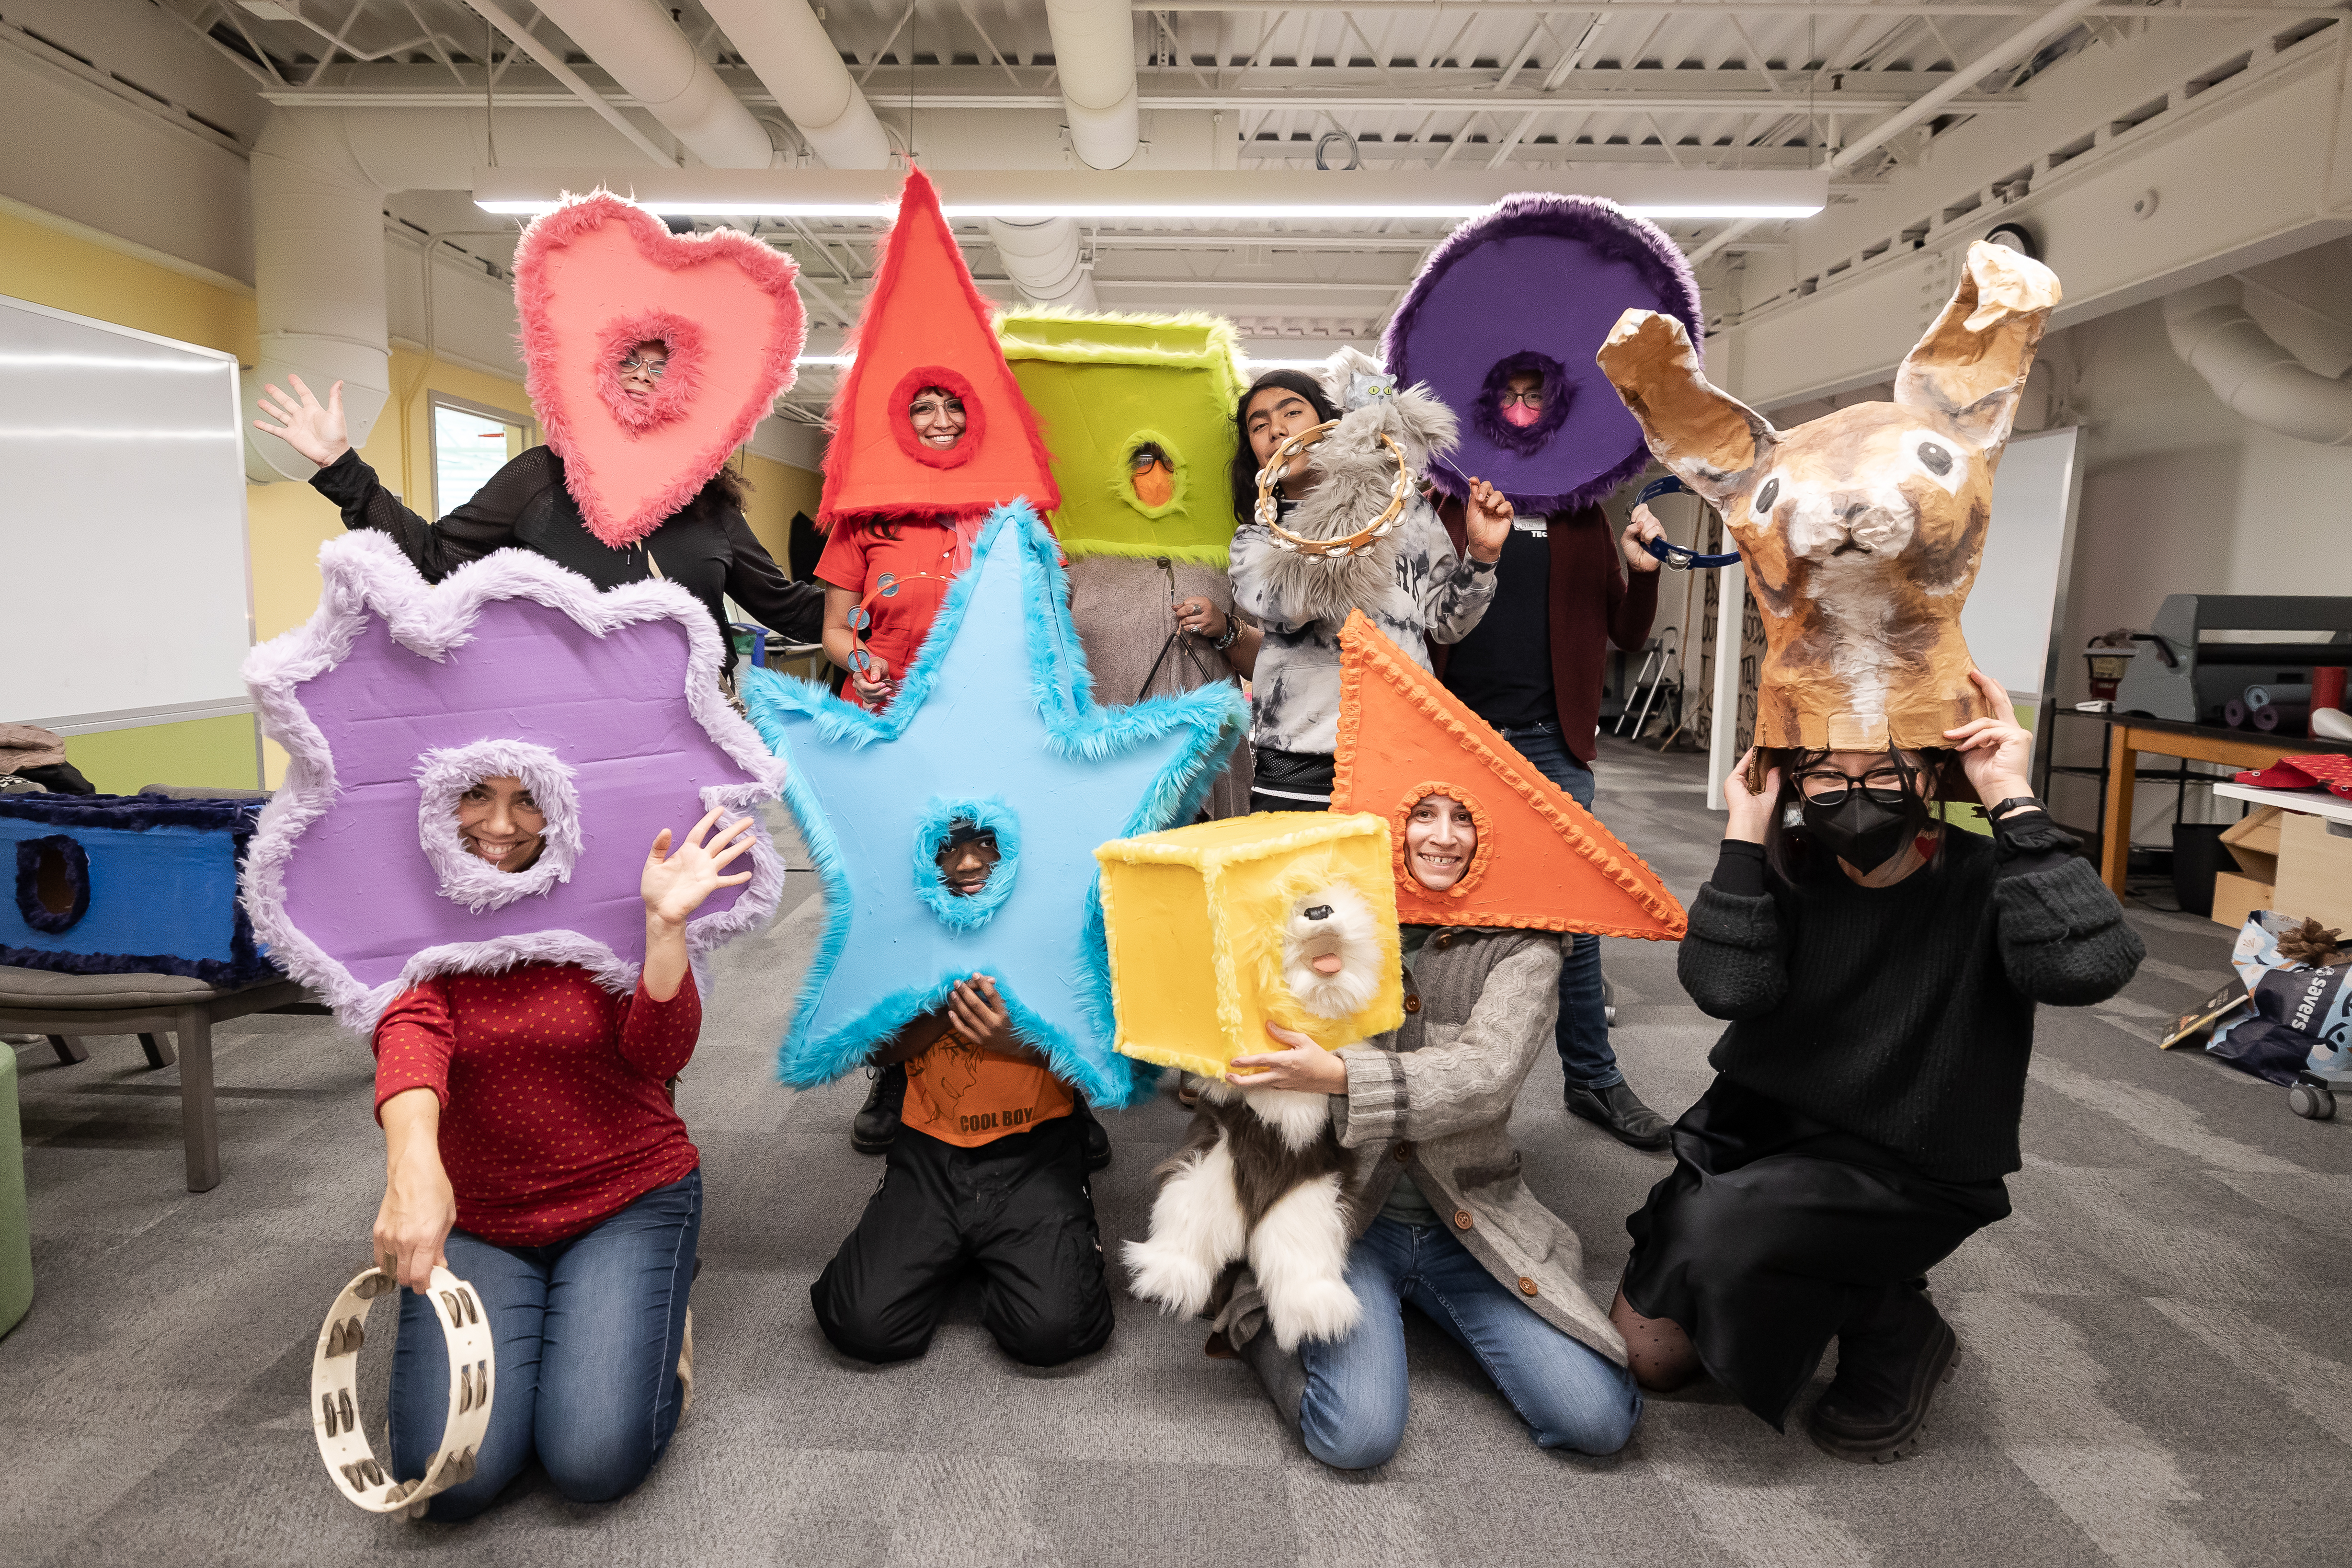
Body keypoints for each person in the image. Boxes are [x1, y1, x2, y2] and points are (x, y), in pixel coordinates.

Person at [1611, 672, 2145, 1463]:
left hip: (1908, 1159)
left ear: (1931, 775)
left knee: (1727, 1237)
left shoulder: (1990, 876)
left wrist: (2009, 795)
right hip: (1758, 1132)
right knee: (1650, 1358)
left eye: (1885, 771)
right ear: (1794, 777)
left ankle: (1893, 1321)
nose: (1854, 794)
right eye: (1826, 772)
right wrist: (1745, 832)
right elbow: (1726, 989)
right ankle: (1834, 1266)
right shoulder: (1789, 866)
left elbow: (2091, 966)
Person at [1213, 789, 1644, 1469]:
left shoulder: (1523, 940)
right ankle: (1259, 1314)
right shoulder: (1328, 913)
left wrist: (1341, 1078)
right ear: (1388, 820)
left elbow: (1487, 1074)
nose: (1442, 837)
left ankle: (1408, 1305)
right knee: (1354, 1436)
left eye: (1464, 817)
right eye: (1422, 814)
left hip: (1470, 1218)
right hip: (1347, 1213)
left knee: (1596, 1419)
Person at [367, 788, 755, 1519]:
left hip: (625, 1194)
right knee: (451, 1483)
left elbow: (658, 1055)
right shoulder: (414, 905)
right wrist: (412, 1166)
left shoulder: (606, 884)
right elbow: (410, 1028)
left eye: (529, 800)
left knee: (591, 1461)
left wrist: (663, 929)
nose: (501, 824)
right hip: (482, 1211)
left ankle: (655, 1319)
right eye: (476, 795)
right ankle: (584, 1324)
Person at [251, 351, 822, 681]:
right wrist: (340, 466)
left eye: (661, 366)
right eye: (630, 359)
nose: (644, 375)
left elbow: (788, 608)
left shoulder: (707, 502)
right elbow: (433, 557)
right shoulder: (541, 477)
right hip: (568, 725)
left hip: (693, 731)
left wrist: (895, 598)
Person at [1429, 388, 1674, 1148]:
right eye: (1508, 397)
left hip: (1547, 743)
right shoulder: (1441, 504)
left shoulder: (1578, 515)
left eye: (1537, 397)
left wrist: (1644, 570)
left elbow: (1626, 631)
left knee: (1573, 916)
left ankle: (1593, 1080)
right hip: (1449, 738)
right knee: (1429, 911)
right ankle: (1427, 1080)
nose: (1522, 410)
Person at [812, 819, 1116, 1369]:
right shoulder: (908, 923)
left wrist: (1017, 1036)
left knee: (1055, 1334)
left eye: (986, 843)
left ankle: (1008, 1243)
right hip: (931, 1149)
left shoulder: (1058, 924)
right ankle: (955, 1241)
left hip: (1034, 1147)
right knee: (861, 1326)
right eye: (948, 847)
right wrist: (948, 993)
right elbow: (877, 1049)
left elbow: (1107, 1061)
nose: (969, 863)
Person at [1225, 372, 1510, 814]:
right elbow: (1296, 604)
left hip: (1405, 741)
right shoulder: (1254, 542)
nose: (1277, 429)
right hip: (1299, 756)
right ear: (1256, 453)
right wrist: (1359, 489)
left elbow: (1448, 624)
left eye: (1292, 412)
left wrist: (1482, 555)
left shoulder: (1408, 511)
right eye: (1259, 425)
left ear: (1329, 424)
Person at [815, 384, 985, 711]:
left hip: (974, 707)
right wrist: (864, 665)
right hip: (882, 704)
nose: (943, 421)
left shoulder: (1014, 513)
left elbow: (1048, 619)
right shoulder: (863, 515)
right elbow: (836, 629)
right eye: (924, 408)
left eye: (955, 405)